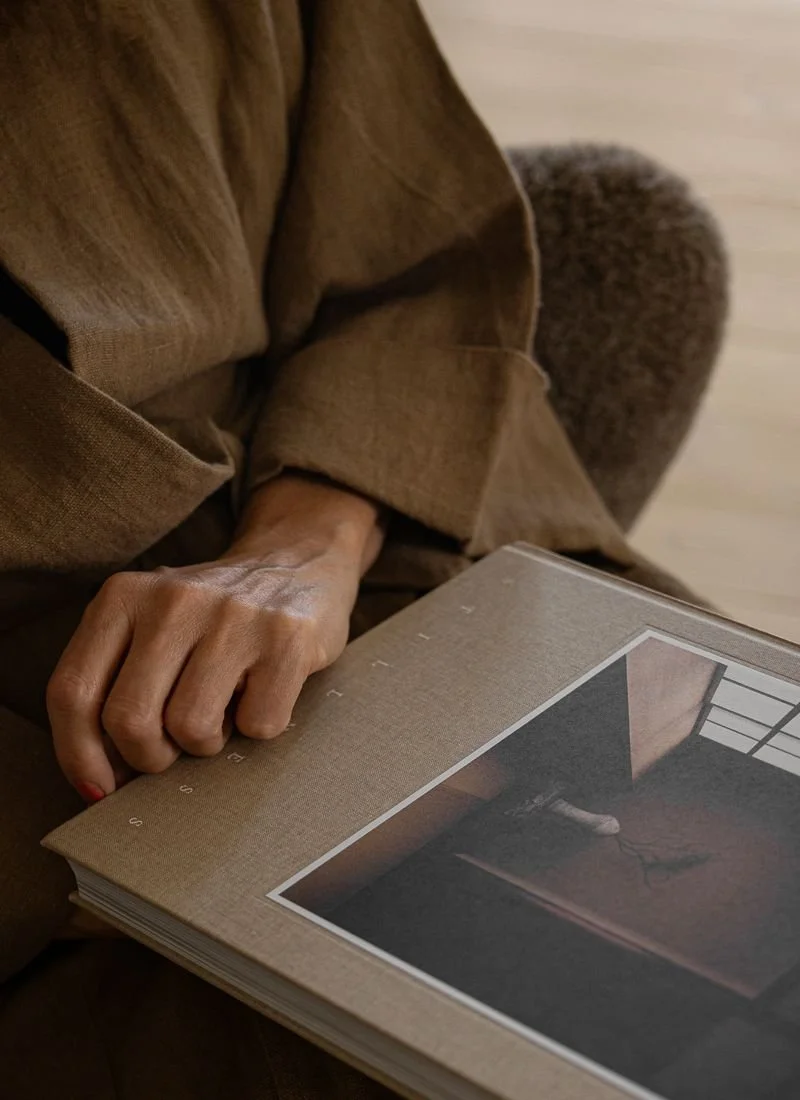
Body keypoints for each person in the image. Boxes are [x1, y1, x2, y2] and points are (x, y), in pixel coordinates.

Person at [0, 2, 727, 1097]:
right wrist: (145, 859)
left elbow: (413, 244)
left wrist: (307, 536)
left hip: (363, 515)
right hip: (67, 854)